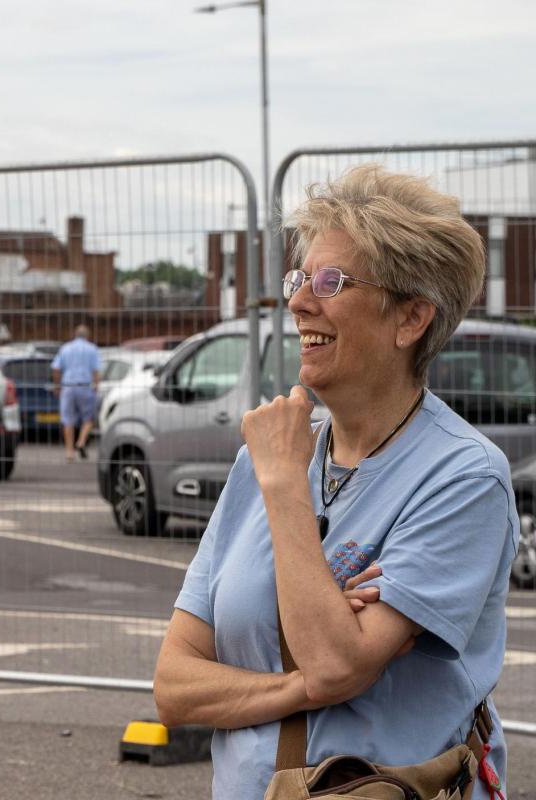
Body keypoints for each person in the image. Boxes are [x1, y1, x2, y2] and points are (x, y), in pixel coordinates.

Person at [154, 165, 518, 799]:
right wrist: (301, 690)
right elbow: (174, 687)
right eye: (302, 277)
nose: (298, 301)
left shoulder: (464, 476)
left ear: (410, 319)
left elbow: (335, 660)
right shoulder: (267, 460)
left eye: (331, 281)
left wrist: (286, 491)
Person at [51, 324, 101, 462]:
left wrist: (57, 385)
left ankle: (69, 452)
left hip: (68, 386)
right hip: (85, 386)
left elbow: (56, 368)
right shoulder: (92, 349)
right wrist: (96, 386)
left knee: (67, 419)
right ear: (87, 335)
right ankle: (81, 442)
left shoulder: (65, 348)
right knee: (88, 419)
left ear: (75, 334)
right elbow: (96, 370)